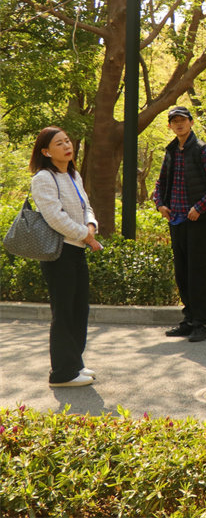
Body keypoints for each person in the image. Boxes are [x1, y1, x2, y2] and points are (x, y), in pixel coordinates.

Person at [29, 127, 102, 387]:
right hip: (59, 252)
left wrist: (91, 225)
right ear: (46, 152)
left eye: (67, 141)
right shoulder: (43, 178)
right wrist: (86, 236)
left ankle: (74, 364)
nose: (67, 146)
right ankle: (61, 373)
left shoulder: (73, 174)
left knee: (79, 309)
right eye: (59, 143)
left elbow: (86, 206)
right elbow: (55, 217)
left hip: (77, 248)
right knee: (64, 312)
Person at [152, 106, 206, 343]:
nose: (179, 124)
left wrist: (199, 207)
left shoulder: (202, 150)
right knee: (182, 274)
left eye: (182, 120)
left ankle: (201, 323)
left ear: (191, 122)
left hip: (196, 222)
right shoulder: (171, 150)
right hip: (176, 220)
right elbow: (160, 183)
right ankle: (189, 319)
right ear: (169, 126)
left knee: (198, 273)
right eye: (174, 121)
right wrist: (159, 204)